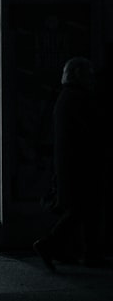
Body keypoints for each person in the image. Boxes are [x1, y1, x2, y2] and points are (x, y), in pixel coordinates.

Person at [34, 56, 104, 270]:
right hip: (80, 163)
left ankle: (67, 250)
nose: (93, 78)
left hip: (68, 163)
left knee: (79, 208)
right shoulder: (79, 98)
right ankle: (50, 244)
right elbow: (90, 132)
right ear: (79, 75)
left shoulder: (65, 97)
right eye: (89, 74)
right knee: (84, 208)